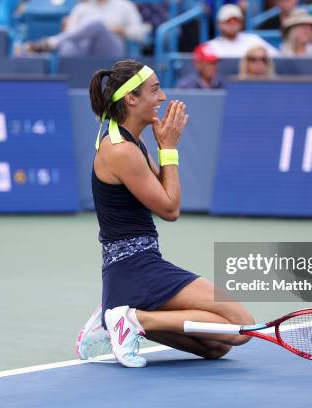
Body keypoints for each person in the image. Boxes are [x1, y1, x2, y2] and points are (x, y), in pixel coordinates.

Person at [75, 60, 254, 368]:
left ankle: (117, 318)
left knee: (215, 347)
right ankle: (129, 318)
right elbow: (170, 208)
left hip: (131, 271)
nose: (162, 98)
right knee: (241, 326)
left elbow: (161, 188)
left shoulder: (129, 140)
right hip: (136, 270)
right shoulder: (121, 150)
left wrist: (162, 147)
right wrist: (169, 148)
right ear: (131, 99)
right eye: (154, 90)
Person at [26, 0, 149, 58]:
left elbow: (141, 34)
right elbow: (71, 33)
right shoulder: (81, 7)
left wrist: (121, 30)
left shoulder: (125, 5)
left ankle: (51, 42)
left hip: (111, 47)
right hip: (82, 47)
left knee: (97, 25)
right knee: (67, 48)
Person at [207, 4, 278, 58]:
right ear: (219, 24)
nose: (232, 24)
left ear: (242, 23)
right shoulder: (210, 47)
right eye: (228, 21)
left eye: (236, 21)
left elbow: (277, 57)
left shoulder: (253, 41)